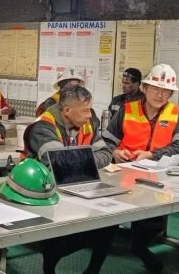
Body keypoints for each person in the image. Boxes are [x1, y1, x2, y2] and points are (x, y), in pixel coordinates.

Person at [102, 63, 179, 273]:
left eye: (166, 91)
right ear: (145, 88)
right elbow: (105, 141)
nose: (161, 95)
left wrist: (151, 155)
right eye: (156, 89)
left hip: (157, 178)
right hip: (122, 175)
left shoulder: (176, 114)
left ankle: (139, 247)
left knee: (152, 224)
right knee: (108, 223)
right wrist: (114, 153)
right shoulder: (127, 110)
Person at [23, 84, 115, 274]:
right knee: (56, 243)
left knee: (111, 221)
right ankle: (49, 266)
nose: (90, 115)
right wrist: (85, 159)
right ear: (67, 111)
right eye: (85, 110)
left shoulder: (88, 123)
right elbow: (60, 164)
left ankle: (93, 270)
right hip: (48, 194)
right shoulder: (42, 127)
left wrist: (81, 161)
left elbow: (106, 154)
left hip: (82, 185)